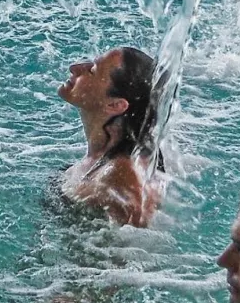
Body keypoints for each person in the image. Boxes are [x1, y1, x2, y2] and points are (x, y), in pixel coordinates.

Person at [56, 46, 163, 227]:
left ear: (115, 105)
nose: (75, 67)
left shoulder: (120, 175)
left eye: (92, 70)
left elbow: (133, 246)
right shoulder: (104, 162)